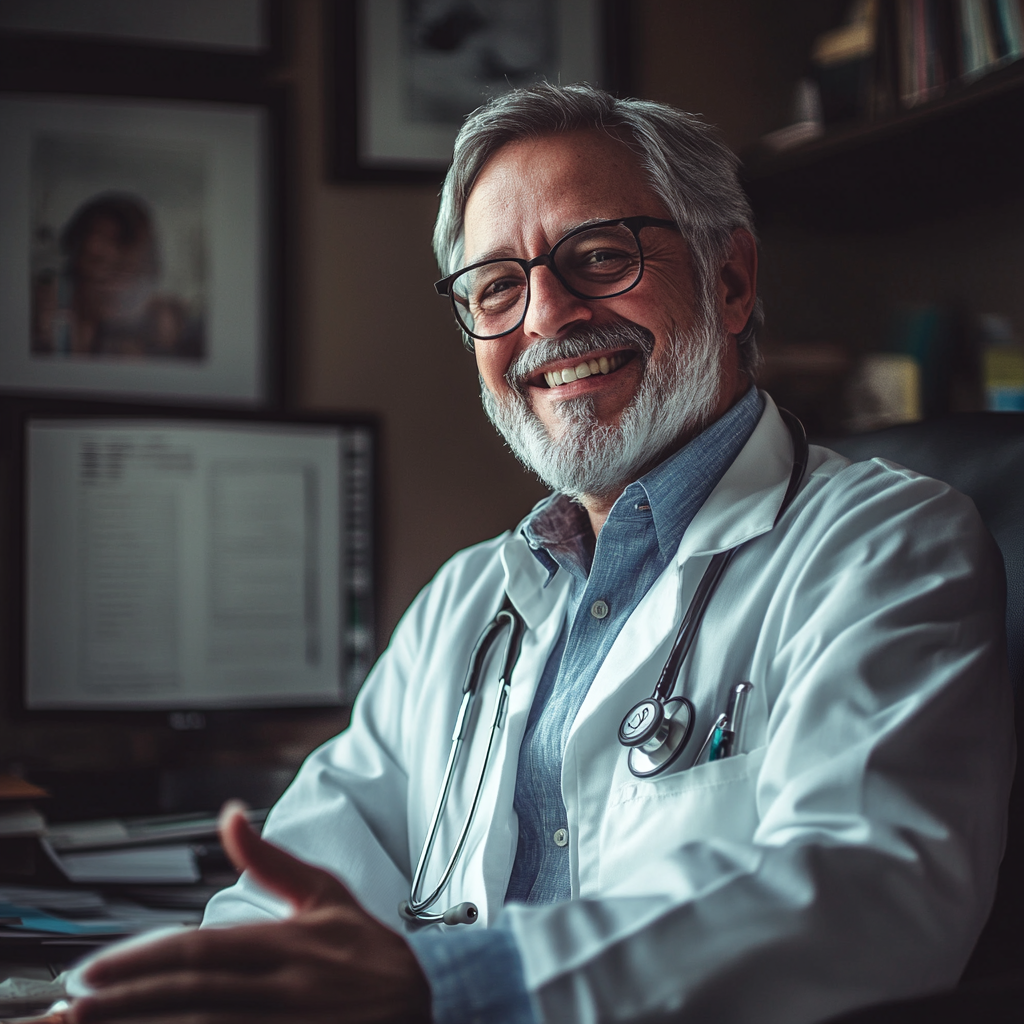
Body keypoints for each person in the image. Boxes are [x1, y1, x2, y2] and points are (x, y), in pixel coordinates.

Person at [67, 85, 1014, 1024]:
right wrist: (175, 1001)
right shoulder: (466, 599)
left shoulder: (885, 545)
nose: (546, 317)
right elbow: (313, 872)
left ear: (731, 281)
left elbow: (872, 891)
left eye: (599, 256)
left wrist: (456, 986)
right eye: (497, 286)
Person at [31, 192, 204, 359]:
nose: (112, 283)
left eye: (127, 270)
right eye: (97, 261)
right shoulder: (43, 306)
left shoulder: (151, 322)